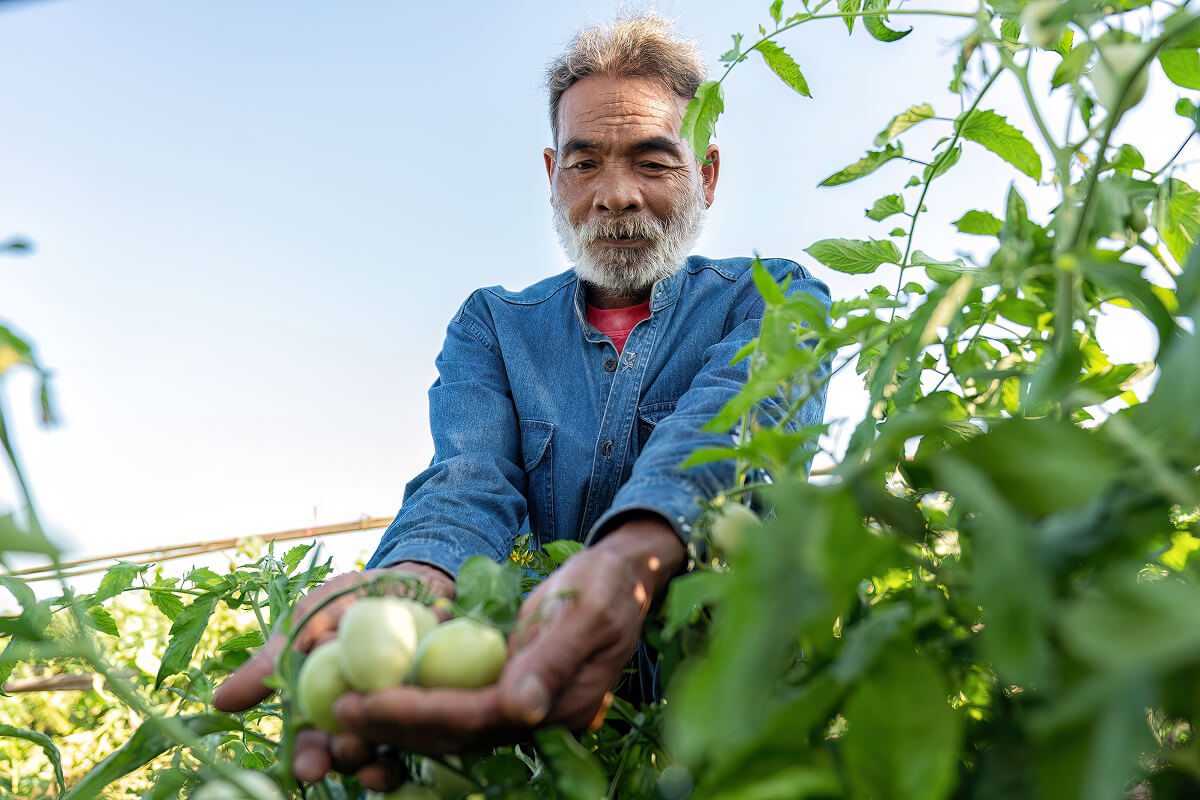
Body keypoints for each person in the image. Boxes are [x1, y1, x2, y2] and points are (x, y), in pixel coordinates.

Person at [214, 12, 830, 790]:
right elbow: (467, 480)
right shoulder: (495, 327)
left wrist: (626, 558)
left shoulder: (774, 297)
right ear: (552, 174)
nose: (615, 196)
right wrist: (411, 581)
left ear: (705, 175)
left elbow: (729, 426)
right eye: (585, 164)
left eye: (652, 161)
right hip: (558, 741)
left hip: (740, 735)